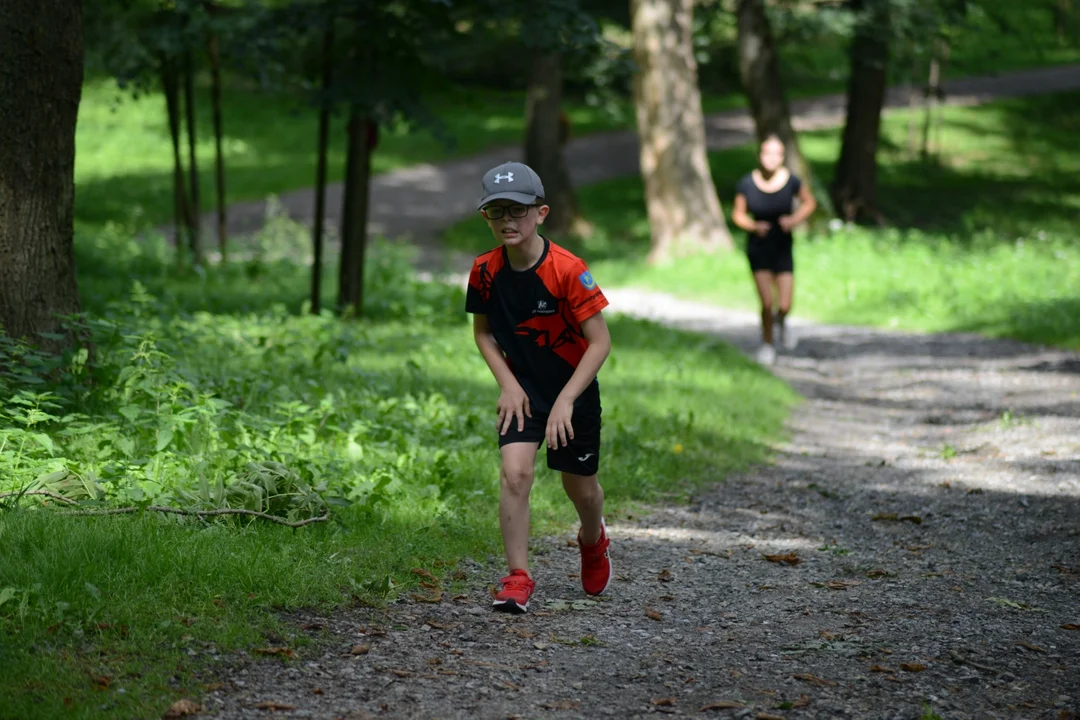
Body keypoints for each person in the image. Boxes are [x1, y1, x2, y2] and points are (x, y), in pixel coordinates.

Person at [465, 161, 613, 613]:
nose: (508, 220)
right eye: (497, 211)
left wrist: (567, 399)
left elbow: (600, 341)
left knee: (580, 489)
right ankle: (517, 576)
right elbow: (484, 333)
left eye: (519, 210)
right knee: (516, 474)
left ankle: (593, 539)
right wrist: (508, 384)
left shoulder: (568, 270)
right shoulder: (484, 271)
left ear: (542, 212)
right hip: (523, 390)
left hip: (573, 391)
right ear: (485, 217)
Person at [731, 134, 817, 365]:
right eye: (767, 153)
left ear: (782, 157)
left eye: (776, 153)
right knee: (767, 302)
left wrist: (793, 220)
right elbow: (738, 214)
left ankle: (783, 321)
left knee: (785, 303)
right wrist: (753, 225)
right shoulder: (747, 184)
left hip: (782, 246)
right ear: (760, 155)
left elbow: (810, 203)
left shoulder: (792, 182)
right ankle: (767, 344)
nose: (771, 158)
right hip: (758, 247)